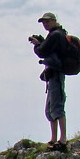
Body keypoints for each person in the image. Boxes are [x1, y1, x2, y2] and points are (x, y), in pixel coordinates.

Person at [28, 12, 68, 150]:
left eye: (47, 22)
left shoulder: (56, 35)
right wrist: (41, 42)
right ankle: (54, 138)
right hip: (52, 74)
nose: (45, 24)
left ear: (54, 21)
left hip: (56, 73)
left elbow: (43, 51)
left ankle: (62, 139)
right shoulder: (55, 35)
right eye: (43, 23)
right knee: (50, 109)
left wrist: (36, 45)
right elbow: (47, 48)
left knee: (57, 106)